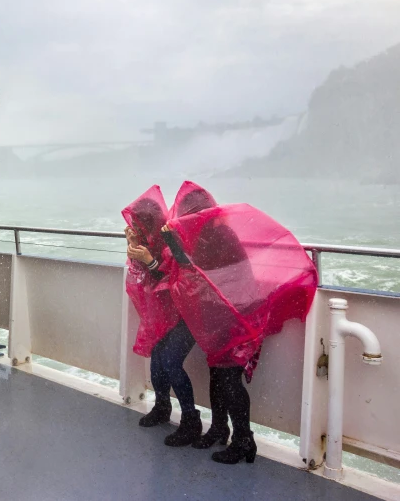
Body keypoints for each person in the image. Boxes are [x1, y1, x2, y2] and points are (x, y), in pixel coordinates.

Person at [162, 181, 316, 464]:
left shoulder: (217, 237)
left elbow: (195, 271)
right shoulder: (211, 233)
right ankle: (220, 429)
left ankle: (244, 441)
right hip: (223, 316)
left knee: (228, 379)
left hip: (238, 316)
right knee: (218, 375)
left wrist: (174, 243)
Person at [123, 185, 201, 447]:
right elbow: (144, 277)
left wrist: (151, 261)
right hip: (169, 313)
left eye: (138, 224)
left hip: (190, 312)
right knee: (157, 358)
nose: (135, 227)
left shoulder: (172, 240)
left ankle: (191, 420)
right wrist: (136, 250)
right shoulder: (152, 242)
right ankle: (163, 407)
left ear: (149, 221)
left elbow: (179, 282)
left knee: (169, 360)